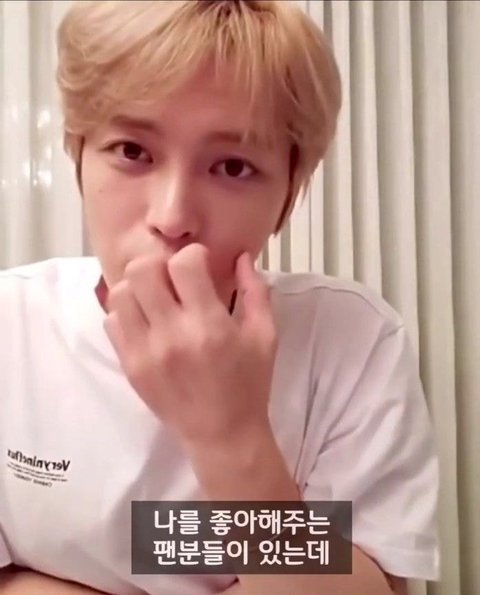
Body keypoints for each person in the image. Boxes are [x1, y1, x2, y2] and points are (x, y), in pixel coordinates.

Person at [0, 1, 439, 594]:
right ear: (78, 153)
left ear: (288, 195)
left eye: (232, 166)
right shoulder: (12, 325)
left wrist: (230, 436)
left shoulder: (351, 338)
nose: (172, 217)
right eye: (132, 151)